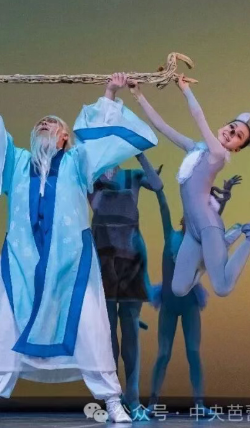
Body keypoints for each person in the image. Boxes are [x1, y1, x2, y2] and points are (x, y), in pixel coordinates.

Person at [0, 72, 158, 423]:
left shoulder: (77, 162)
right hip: (22, 261)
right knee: (6, 326)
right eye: (40, 122)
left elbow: (98, 138)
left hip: (71, 264)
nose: (44, 124)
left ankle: (112, 402)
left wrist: (110, 91)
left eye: (52, 123)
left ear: (64, 137)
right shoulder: (16, 163)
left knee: (90, 328)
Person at [129, 78, 250, 298]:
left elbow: (199, 118)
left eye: (238, 136)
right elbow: (162, 126)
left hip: (208, 226)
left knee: (222, 287)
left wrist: (185, 90)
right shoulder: (194, 148)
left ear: (236, 149)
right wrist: (138, 95)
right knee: (178, 289)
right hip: (192, 230)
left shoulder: (218, 155)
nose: (231, 133)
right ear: (224, 126)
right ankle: (215, 251)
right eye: (231, 127)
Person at [147, 171, 243, 417]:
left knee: (192, 352)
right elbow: (162, 205)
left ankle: (199, 404)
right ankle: (152, 403)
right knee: (163, 354)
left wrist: (225, 196)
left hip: (189, 303)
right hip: (169, 303)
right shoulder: (171, 235)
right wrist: (154, 182)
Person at [88, 153, 163, 413]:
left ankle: (132, 396)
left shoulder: (132, 175)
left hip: (131, 258)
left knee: (130, 328)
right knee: (107, 331)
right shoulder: (90, 179)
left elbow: (157, 185)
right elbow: (94, 205)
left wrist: (141, 155)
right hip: (103, 257)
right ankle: (113, 395)